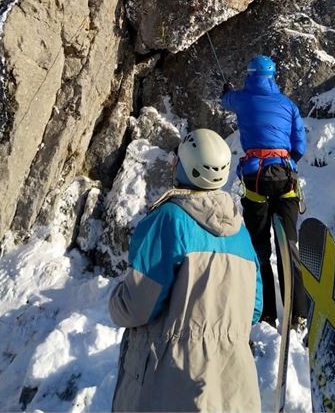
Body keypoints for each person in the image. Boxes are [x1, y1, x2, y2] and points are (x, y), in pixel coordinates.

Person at [109, 127, 262, 413]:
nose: (172, 162)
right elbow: (253, 309)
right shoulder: (241, 233)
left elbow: (135, 307)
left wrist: (116, 297)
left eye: (177, 158)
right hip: (231, 390)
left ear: (187, 167)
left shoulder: (168, 219)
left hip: (170, 386)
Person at [221, 54, 308, 330]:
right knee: (288, 246)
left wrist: (227, 90)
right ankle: (298, 312)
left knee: (259, 247)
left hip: (255, 178)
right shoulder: (288, 104)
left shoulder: (242, 99)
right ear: (273, 76)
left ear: (250, 75)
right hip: (284, 176)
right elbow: (300, 145)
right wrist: (286, 160)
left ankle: (265, 312)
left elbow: (225, 101)